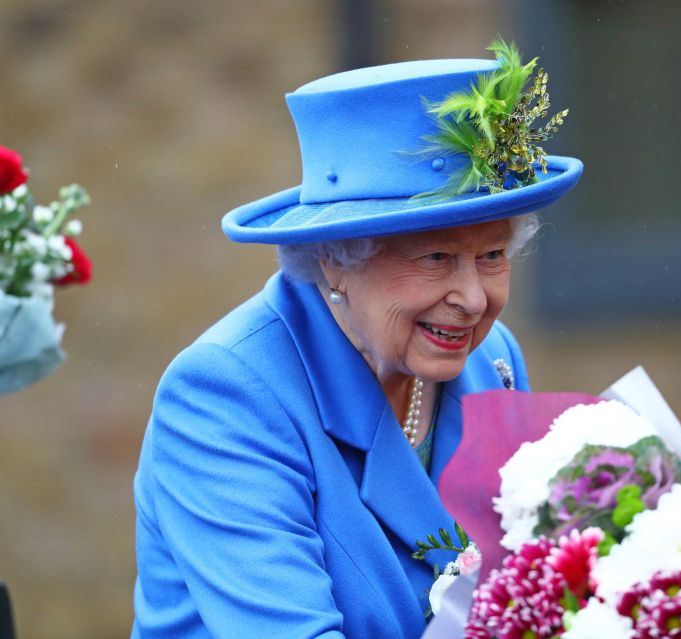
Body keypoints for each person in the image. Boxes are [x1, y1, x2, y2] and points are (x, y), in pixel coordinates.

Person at [131, 44, 582, 639]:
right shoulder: (227, 396)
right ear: (336, 261)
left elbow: (528, 591)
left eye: (492, 255)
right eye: (437, 257)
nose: (473, 298)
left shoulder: (493, 361)